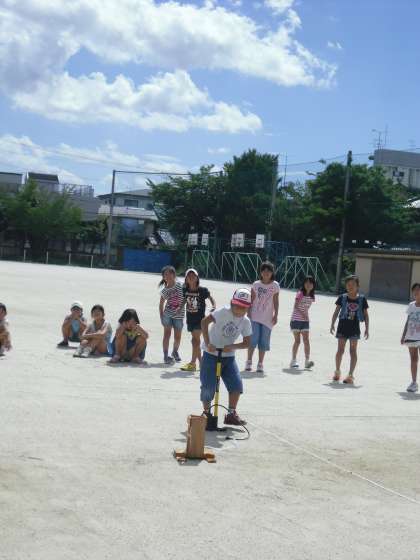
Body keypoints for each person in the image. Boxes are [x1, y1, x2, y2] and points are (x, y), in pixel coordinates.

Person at [201, 288, 252, 426]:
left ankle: (231, 414)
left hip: (228, 357)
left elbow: (247, 342)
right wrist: (208, 343)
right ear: (231, 303)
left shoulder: (246, 321)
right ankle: (206, 413)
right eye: (237, 306)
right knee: (208, 387)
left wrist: (233, 346)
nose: (239, 310)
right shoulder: (223, 312)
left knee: (236, 384)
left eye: (243, 307)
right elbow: (204, 322)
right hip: (210, 354)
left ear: (248, 308)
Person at [330, 275, 369, 384]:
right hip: (342, 327)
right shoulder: (342, 297)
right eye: (348, 284)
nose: (350, 286)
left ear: (358, 286)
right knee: (340, 350)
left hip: (354, 329)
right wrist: (332, 324)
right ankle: (337, 371)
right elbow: (336, 312)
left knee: (353, 351)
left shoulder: (362, 299)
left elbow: (366, 315)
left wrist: (367, 328)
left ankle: (350, 375)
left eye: (353, 284)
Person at [245, 261, 279, 373]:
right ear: (260, 272)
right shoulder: (256, 284)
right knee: (252, 340)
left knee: (264, 341)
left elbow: (276, 301)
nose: (266, 272)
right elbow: (251, 299)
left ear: (272, 272)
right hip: (254, 316)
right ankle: (249, 361)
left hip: (267, 318)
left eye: (269, 270)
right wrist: (248, 312)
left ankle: (260, 363)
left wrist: (276, 315)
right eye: (264, 270)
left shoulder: (275, 285)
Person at [180, 268, 216, 372]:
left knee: (195, 340)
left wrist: (214, 306)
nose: (191, 278)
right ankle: (201, 363)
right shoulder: (185, 290)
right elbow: (185, 299)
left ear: (197, 278)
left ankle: (192, 363)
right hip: (190, 318)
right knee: (194, 341)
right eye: (189, 276)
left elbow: (211, 298)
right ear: (186, 279)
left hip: (200, 319)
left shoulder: (202, 290)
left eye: (193, 276)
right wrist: (180, 307)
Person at [159, 265, 184, 364]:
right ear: (163, 277)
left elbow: (188, 295)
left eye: (169, 274)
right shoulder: (164, 290)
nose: (167, 276)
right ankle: (166, 356)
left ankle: (174, 352)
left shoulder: (181, 285)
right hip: (167, 315)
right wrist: (161, 317)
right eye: (165, 275)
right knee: (167, 335)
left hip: (179, 315)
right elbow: (161, 304)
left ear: (174, 274)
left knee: (178, 336)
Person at [289, 276, 316, 369]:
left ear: (313, 285)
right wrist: (303, 314)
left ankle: (307, 361)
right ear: (303, 284)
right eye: (306, 282)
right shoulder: (300, 293)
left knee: (306, 340)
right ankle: (293, 360)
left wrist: (306, 316)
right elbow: (296, 306)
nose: (308, 285)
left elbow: (306, 308)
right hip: (296, 320)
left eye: (310, 283)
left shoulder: (312, 296)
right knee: (297, 341)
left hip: (305, 321)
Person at [400, 282, 420, 393]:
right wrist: (403, 335)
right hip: (411, 336)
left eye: (418, 290)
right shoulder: (411, 305)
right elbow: (408, 320)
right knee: (413, 359)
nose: (416, 292)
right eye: (414, 290)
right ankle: (414, 382)